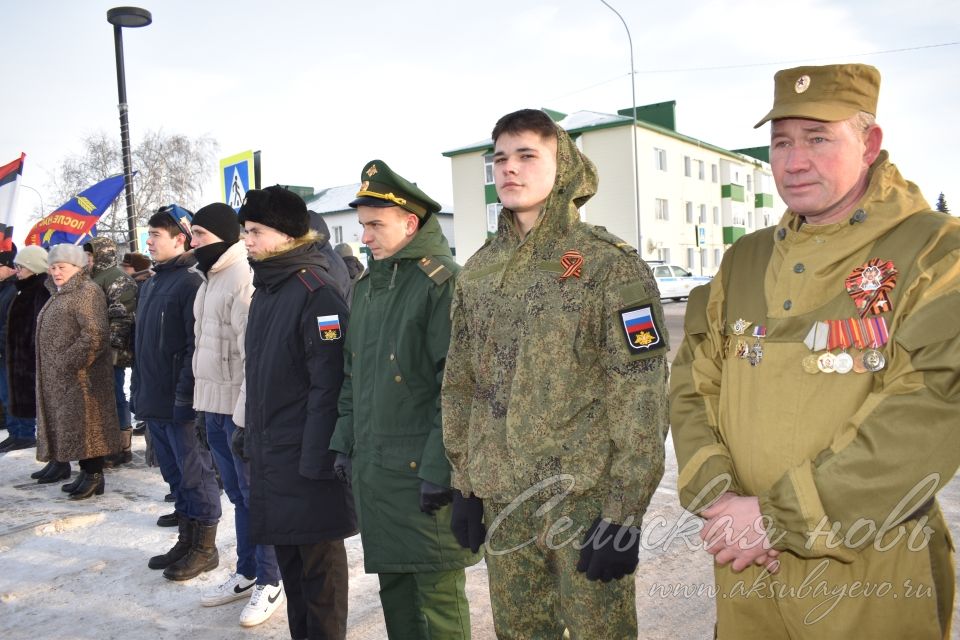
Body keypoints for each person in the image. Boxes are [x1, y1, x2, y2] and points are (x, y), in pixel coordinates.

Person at [670, 63, 959, 640]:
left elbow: (932, 403)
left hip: (870, 569)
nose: (794, 161)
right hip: (746, 565)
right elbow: (692, 381)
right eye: (781, 142)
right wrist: (722, 500)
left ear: (870, 143)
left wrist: (776, 519)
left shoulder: (935, 251)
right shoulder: (744, 260)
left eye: (818, 139)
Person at [441, 109, 669, 638]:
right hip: (504, 498)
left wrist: (624, 511)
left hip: (584, 501)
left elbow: (641, 391)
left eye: (527, 156)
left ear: (561, 165)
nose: (509, 170)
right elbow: (460, 381)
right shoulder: (479, 270)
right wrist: (465, 483)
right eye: (499, 159)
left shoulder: (607, 265)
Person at [330, 160, 480, 638]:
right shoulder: (370, 286)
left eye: (376, 225)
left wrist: (441, 469)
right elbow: (354, 375)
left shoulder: (442, 284)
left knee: (435, 598)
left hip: (422, 476)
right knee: (395, 588)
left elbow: (458, 389)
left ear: (410, 223)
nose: (366, 236)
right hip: (377, 469)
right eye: (363, 226)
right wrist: (343, 440)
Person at [238, 185, 357, 640]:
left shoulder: (316, 292)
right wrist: (247, 431)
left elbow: (330, 384)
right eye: (245, 231)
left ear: (287, 235)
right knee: (292, 570)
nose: (247, 240)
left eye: (256, 231)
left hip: (310, 462)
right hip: (276, 455)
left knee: (320, 572)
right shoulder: (268, 290)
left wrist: (319, 457)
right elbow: (266, 378)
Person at [189, 202, 284, 627]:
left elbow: (252, 357)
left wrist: (243, 415)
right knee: (238, 498)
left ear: (223, 237)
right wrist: (201, 406)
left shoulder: (242, 276)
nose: (193, 244)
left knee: (255, 497)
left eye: (199, 235)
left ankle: (271, 578)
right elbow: (204, 348)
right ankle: (247, 571)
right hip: (214, 405)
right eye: (191, 235)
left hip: (238, 410)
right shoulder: (208, 279)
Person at [133, 205, 222, 581]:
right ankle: (186, 539)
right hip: (154, 399)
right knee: (173, 475)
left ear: (180, 239)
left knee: (194, 474)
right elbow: (144, 344)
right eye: (148, 235)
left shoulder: (189, 281)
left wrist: (184, 397)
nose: (148, 242)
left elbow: (193, 346)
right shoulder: (154, 281)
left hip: (178, 402)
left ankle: (205, 547)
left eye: (155, 236)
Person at [35, 243, 120, 499]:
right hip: (63, 378)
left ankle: (94, 474)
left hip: (83, 377)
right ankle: (86, 473)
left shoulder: (86, 291)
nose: (56, 271)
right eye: (52, 267)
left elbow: (94, 334)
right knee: (76, 427)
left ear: (77, 266)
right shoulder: (60, 293)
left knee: (88, 426)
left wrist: (69, 362)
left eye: (62, 266)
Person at [84, 237, 137, 466]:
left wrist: (113, 349)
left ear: (101, 255)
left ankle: (121, 446)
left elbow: (122, 316)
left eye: (91, 254)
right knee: (101, 398)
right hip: (93, 350)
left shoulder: (117, 278)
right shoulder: (91, 277)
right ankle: (107, 443)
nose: (87, 259)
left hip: (111, 350)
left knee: (115, 395)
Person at [6, 246, 53, 479]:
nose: (17, 270)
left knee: (46, 413)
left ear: (34, 267)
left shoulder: (41, 289)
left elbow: (41, 329)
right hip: (21, 359)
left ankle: (57, 460)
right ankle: (54, 459)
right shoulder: (25, 289)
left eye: (21, 266)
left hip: (33, 362)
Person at [0, 243, 36, 453]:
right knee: (6, 395)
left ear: (10, 268)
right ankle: (15, 433)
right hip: (5, 352)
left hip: (12, 352)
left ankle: (24, 433)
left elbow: (11, 323)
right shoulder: (5, 289)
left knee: (14, 393)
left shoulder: (14, 290)